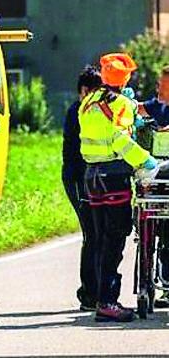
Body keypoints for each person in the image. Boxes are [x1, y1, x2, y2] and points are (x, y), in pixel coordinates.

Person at [79, 52, 160, 322]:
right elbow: (119, 140)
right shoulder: (121, 104)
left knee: (101, 240)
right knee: (115, 240)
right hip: (113, 177)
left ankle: (102, 298)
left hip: (92, 176)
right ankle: (108, 301)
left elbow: (99, 133)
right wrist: (147, 162)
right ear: (126, 78)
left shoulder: (88, 101)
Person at [62, 64, 102, 311]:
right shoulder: (77, 111)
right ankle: (88, 293)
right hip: (77, 179)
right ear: (85, 90)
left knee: (98, 235)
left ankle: (96, 290)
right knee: (91, 234)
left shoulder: (90, 111)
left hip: (92, 179)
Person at [136, 65, 169, 307]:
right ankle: (157, 282)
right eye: (160, 82)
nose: (159, 87)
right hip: (158, 179)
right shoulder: (157, 106)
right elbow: (138, 109)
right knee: (154, 229)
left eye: (164, 83)